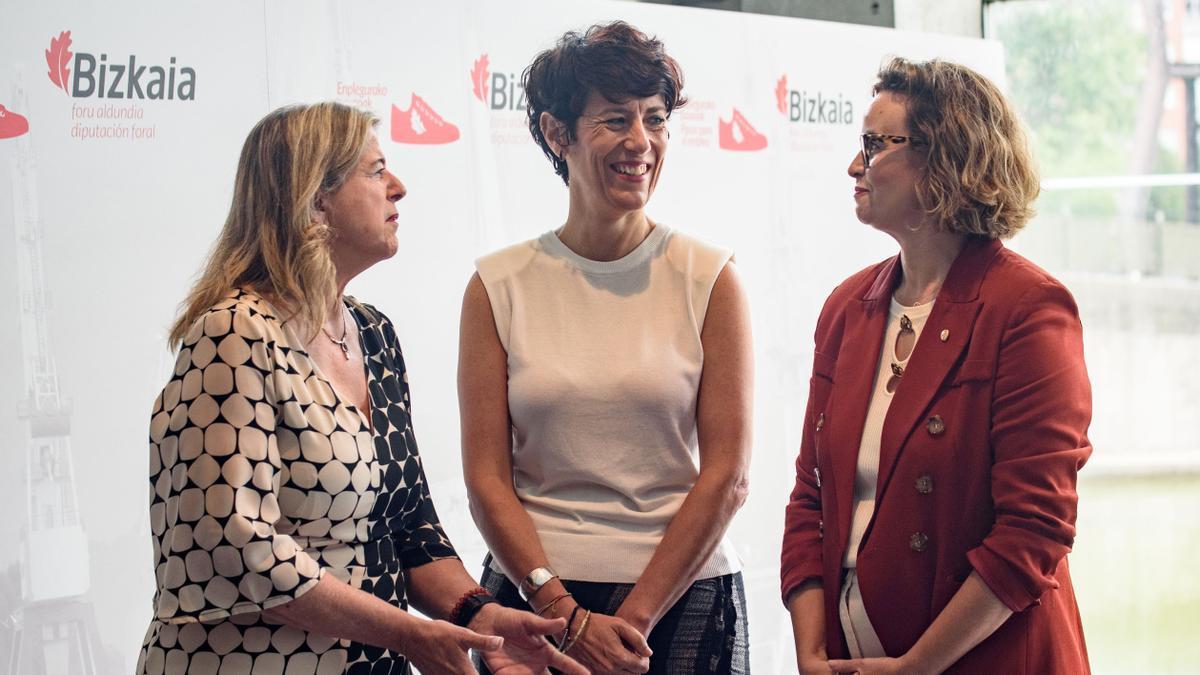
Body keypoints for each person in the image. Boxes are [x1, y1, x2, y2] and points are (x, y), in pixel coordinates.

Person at [136, 102, 586, 675]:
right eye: (375, 172)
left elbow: (408, 521)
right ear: (315, 200)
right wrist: (407, 632)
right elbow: (231, 547)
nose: (398, 187)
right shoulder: (233, 332)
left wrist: (480, 617)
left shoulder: (373, 333)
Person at [458, 21, 753, 674]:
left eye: (655, 119)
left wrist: (631, 618)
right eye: (616, 119)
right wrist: (567, 612)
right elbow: (485, 480)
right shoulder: (498, 286)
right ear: (556, 132)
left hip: (683, 600)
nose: (641, 143)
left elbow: (728, 475)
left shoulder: (710, 276)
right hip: (536, 604)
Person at [780, 57, 1093, 674]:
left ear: (946, 157)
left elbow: (1034, 530)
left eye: (874, 145)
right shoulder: (847, 308)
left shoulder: (1027, 309)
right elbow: (809, 503)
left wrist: (916, 666)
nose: (854, 166)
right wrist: (811, 656)